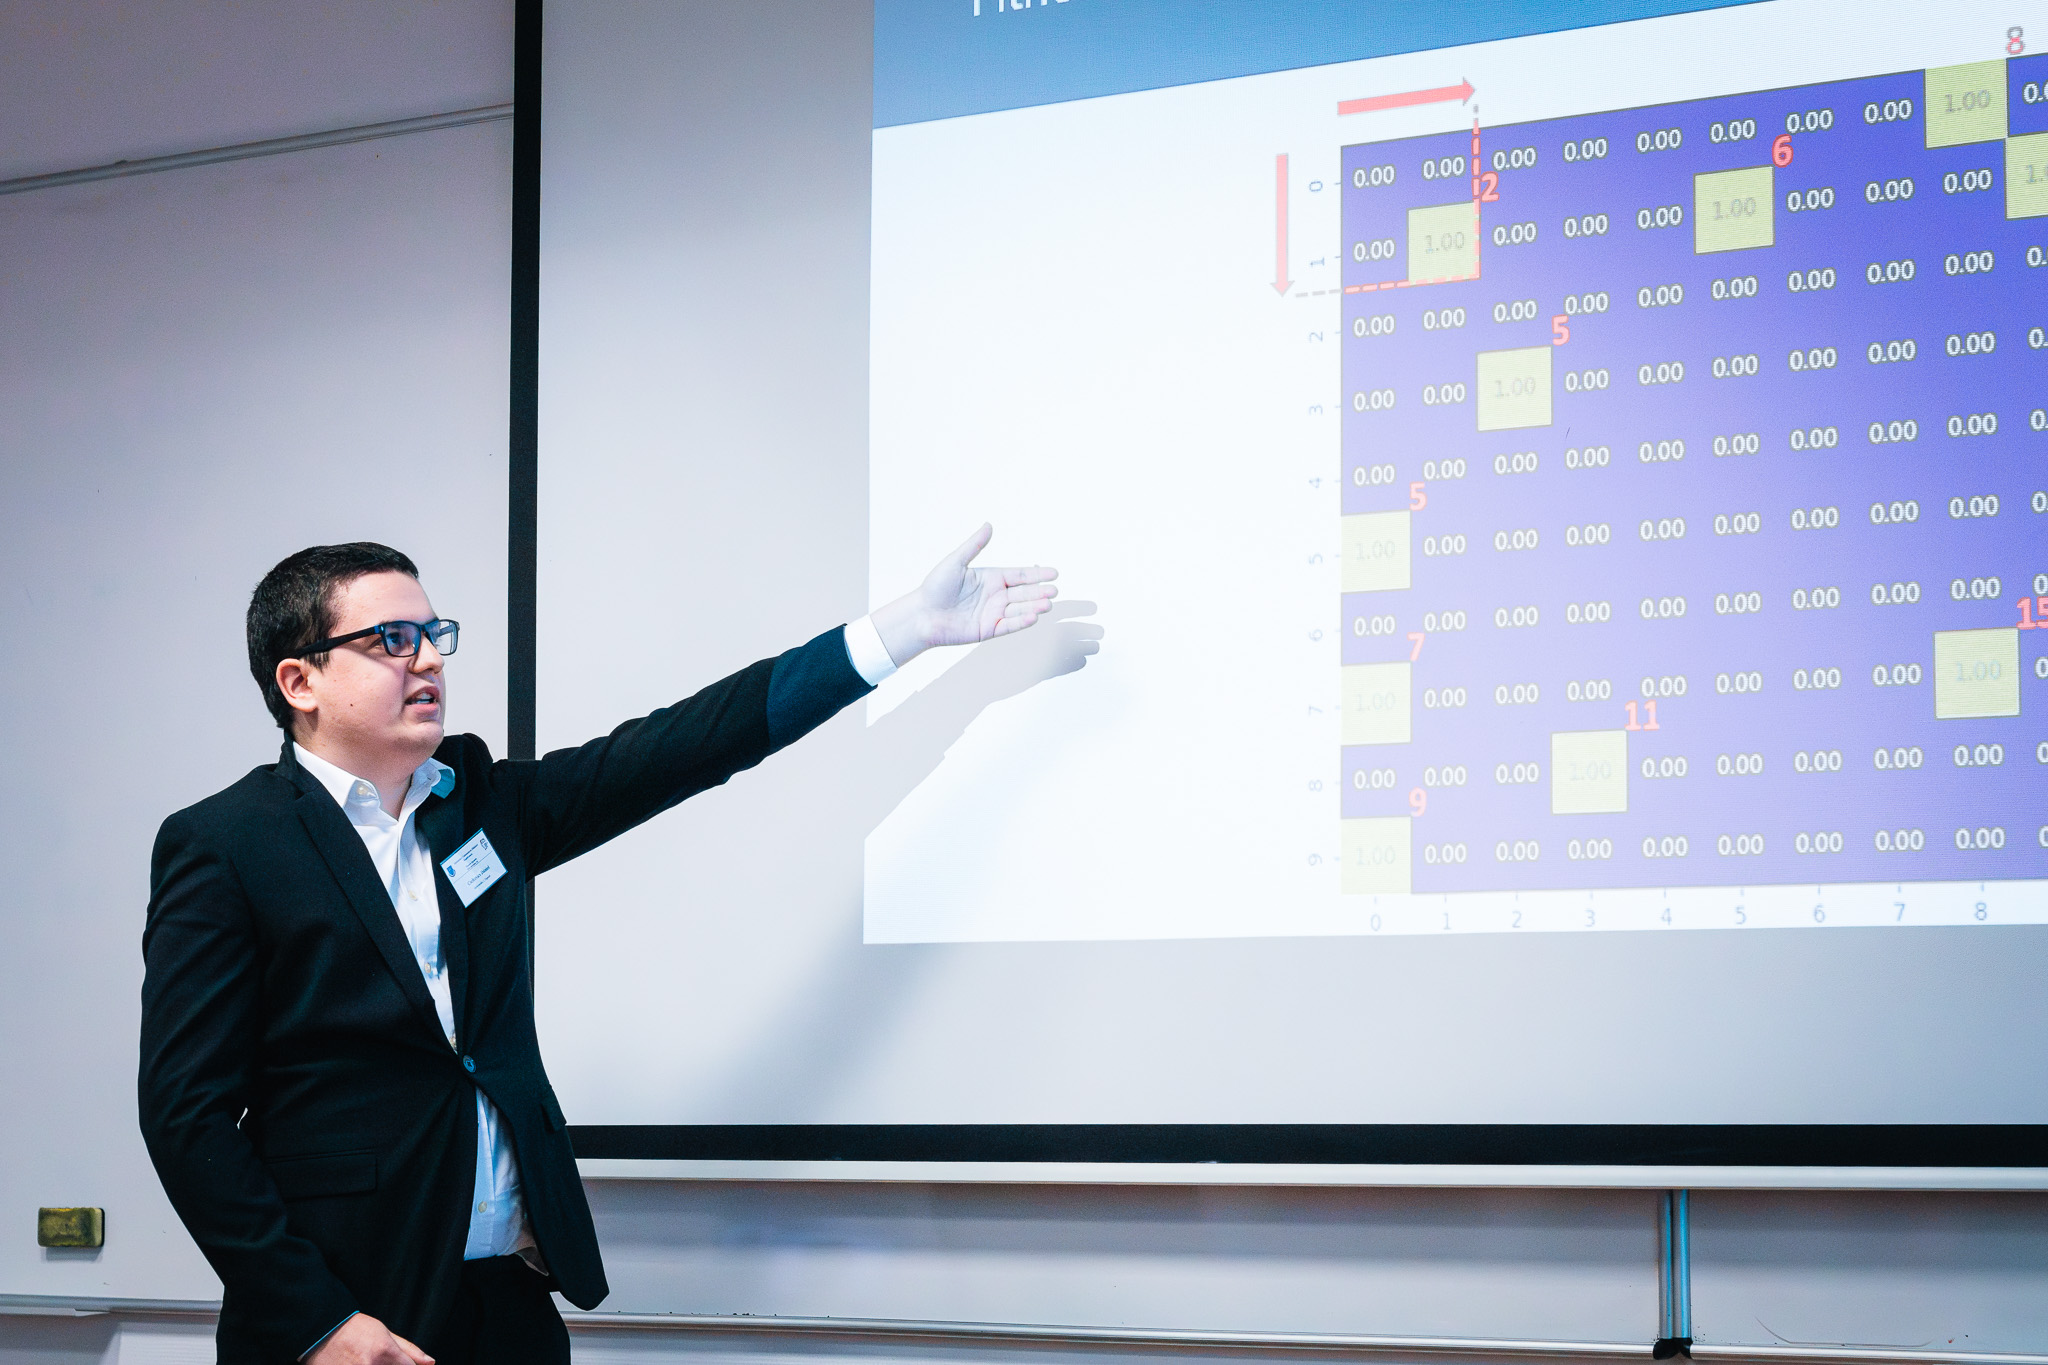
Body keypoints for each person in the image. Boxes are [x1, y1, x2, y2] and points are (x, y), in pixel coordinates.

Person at [139, 529, 1056, 1365]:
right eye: (391, 639)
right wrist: (315, 1320)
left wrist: (901, 631)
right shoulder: (226, 845)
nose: (428, 659)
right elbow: (187, 1116)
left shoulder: (481, 803)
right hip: (351, 1310)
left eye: (433, 634)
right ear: (299, 682)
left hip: (509, 1301)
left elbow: (682, 745)